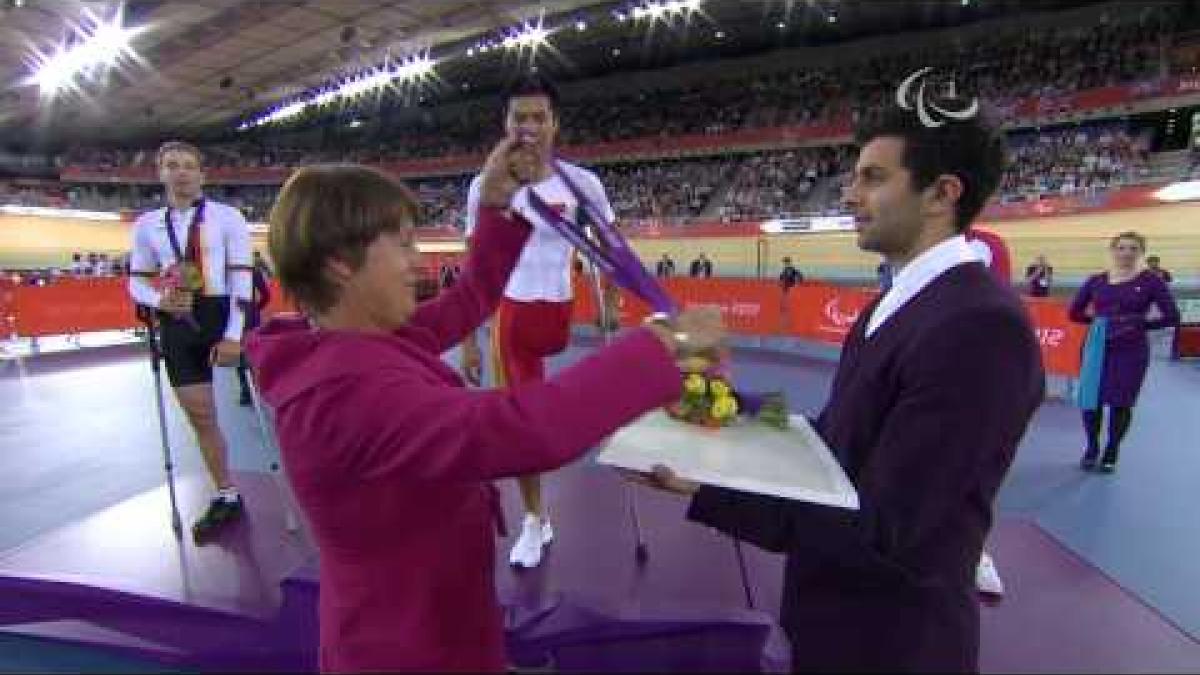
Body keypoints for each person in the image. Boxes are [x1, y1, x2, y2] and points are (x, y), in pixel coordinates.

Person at [244, 146, 725, 671]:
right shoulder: (339, 395)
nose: (418, 262)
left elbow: (470, 298)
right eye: (403, 245)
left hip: (438, 618)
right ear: (340, 264)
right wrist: (657, 348)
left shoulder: (359, 341)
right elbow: (516, 431)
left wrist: (498, 207)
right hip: (403, 648)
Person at [628, 97, 1045, 672]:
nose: (849, 195)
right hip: (838, 624)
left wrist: (705, 486)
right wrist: (709, 401)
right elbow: (834, 443)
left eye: (873, 178)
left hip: (894, 644)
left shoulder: (981, 327)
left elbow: (885, 536)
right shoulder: (898, 305)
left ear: (941, 194)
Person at [459, 77, 620, 569]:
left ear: (554, 124)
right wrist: (470, 339)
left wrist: (611, 307)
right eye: (518, 118)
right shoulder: (485, 187)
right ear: (505, 126)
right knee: (522, 421)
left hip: (559, 313)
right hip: (513, 316)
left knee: (565, 409)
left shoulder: (581, 184)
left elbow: (612, 248)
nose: (528, 127)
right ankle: (536, 520)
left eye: (538, 117)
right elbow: (474, 267)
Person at [127, 141, 254, 543]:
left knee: (275, 402)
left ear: (202, 174)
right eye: (171, 165)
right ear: (160, 174)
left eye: (188, 166)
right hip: (178, 320)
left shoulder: (227, 217)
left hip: (221, 314)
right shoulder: (147, 223)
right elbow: (137, 278)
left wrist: (234, 335)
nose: (180, 172)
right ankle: (226, 494)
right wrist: (157, 298)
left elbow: (242, 278)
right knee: (201, 417)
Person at [1068, 232, 1179, 473]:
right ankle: (1092, 447)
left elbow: (1172, 316)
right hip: (1097, 348)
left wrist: (1138, 323)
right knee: (1091, 401)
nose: (1126, 253)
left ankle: (1112, 449)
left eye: (1133, 248)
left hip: (1132, 351)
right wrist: (1100, 322)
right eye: (1121, 248)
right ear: (1113, 250)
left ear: (1141, 252)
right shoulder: (1096, 281)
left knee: (1121, 403)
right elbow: (1074, 313)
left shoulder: (1151, 281)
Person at [235, 251, 272, 406]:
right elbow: (265, 294)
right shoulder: (253, 271)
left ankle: (246, 391)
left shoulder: (226, 273)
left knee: (239, 353)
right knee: (253, 351)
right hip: (252, 316)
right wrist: (257, 307)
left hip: (235, 317)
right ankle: (259, 386)